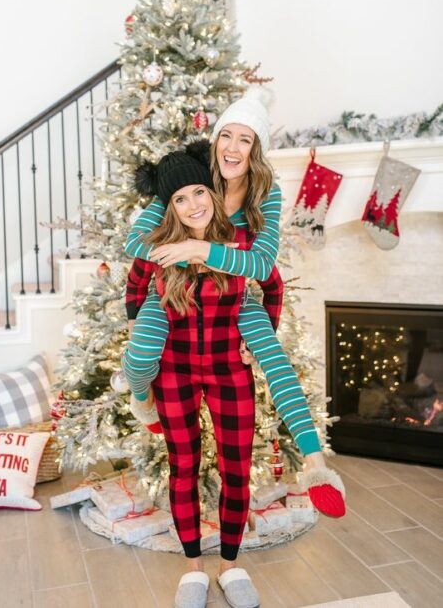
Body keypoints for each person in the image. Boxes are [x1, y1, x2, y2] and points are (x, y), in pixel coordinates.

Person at [123, 94, 346, 519]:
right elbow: (137, 245)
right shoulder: (194, 179)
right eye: (225, 135)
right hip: (175, 292)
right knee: (142, 356)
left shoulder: (267, 194)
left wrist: (201, 248)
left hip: (235, 296)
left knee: (275, 360)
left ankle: (317, 465)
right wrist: (191, 250)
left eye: (244, 139)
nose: (231, 147)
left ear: (256, 149)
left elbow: (263, 266)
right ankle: (141, 398)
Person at [127, 146, 263, 608]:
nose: (192, 205)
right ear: (169, 207)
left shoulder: (240, 243)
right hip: (175, 373)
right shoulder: (157, 248)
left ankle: (230, 565)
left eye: (199, 191)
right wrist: (138, 329)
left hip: (229, 372)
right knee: (183, 466)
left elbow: (274, 282)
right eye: (180, 198)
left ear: (213, 191)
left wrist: (259, 339)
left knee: (236, 468)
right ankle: (193, 568)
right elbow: (133, 286)